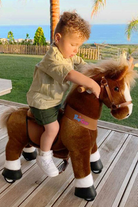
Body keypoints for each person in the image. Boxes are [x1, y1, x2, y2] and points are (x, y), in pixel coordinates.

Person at [27, 11, 100, 177]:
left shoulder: (67, 54)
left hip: (55, 101)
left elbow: (81, 64)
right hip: (42, 102)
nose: (76, 50)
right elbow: (69, 74)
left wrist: (94, 73)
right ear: (58, 38)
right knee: (53, 128)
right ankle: (44, 156)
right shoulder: (52, 58)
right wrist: (90, 83)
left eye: (79, 45)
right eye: (73, 44)